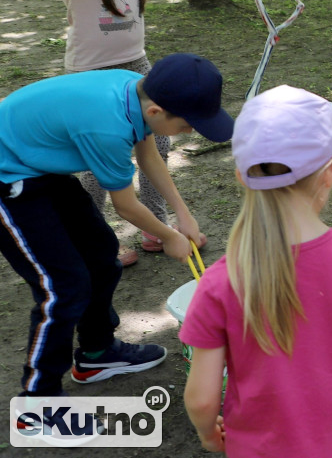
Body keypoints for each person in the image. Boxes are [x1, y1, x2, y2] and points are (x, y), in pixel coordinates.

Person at [181, 85, 332, 456]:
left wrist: (208, 435)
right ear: (330, 171)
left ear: (241, 176)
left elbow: (202, 399)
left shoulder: (219, 282)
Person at [40, 0, 245, 264]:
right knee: (98, 161)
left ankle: (157, 226)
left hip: (135, 63)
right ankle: (92, 237)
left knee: (157, 145)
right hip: (90, 74)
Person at [0, 52, 234, 398]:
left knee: (101, 257)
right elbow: (125, 205)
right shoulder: (107, 127)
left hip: (40, 168)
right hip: (9, 180)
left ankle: (97, 354)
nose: (190, 131)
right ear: (156, 112)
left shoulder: (134, 92)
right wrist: (168, 236)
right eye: (187, 126)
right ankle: (38, 401)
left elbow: (149, 154)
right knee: (63, 288)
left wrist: (182, 215)